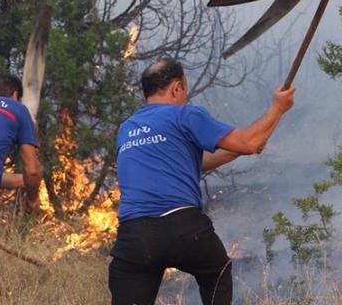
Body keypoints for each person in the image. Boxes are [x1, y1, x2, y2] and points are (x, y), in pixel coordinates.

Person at [109, 58, 295, 305]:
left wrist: (240, 147)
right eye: (184, 88)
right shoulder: (185, 115)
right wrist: (277, 109)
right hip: (182, 228)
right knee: (216, 274)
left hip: (134, 237)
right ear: (177, 87)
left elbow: (194, 162)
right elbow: (249, 142)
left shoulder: (127, 128)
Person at [0, 74, 42, 289]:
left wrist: (22, 182)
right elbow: (32, 169)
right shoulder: (17, 109)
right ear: (14, 95)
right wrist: (32, 198)